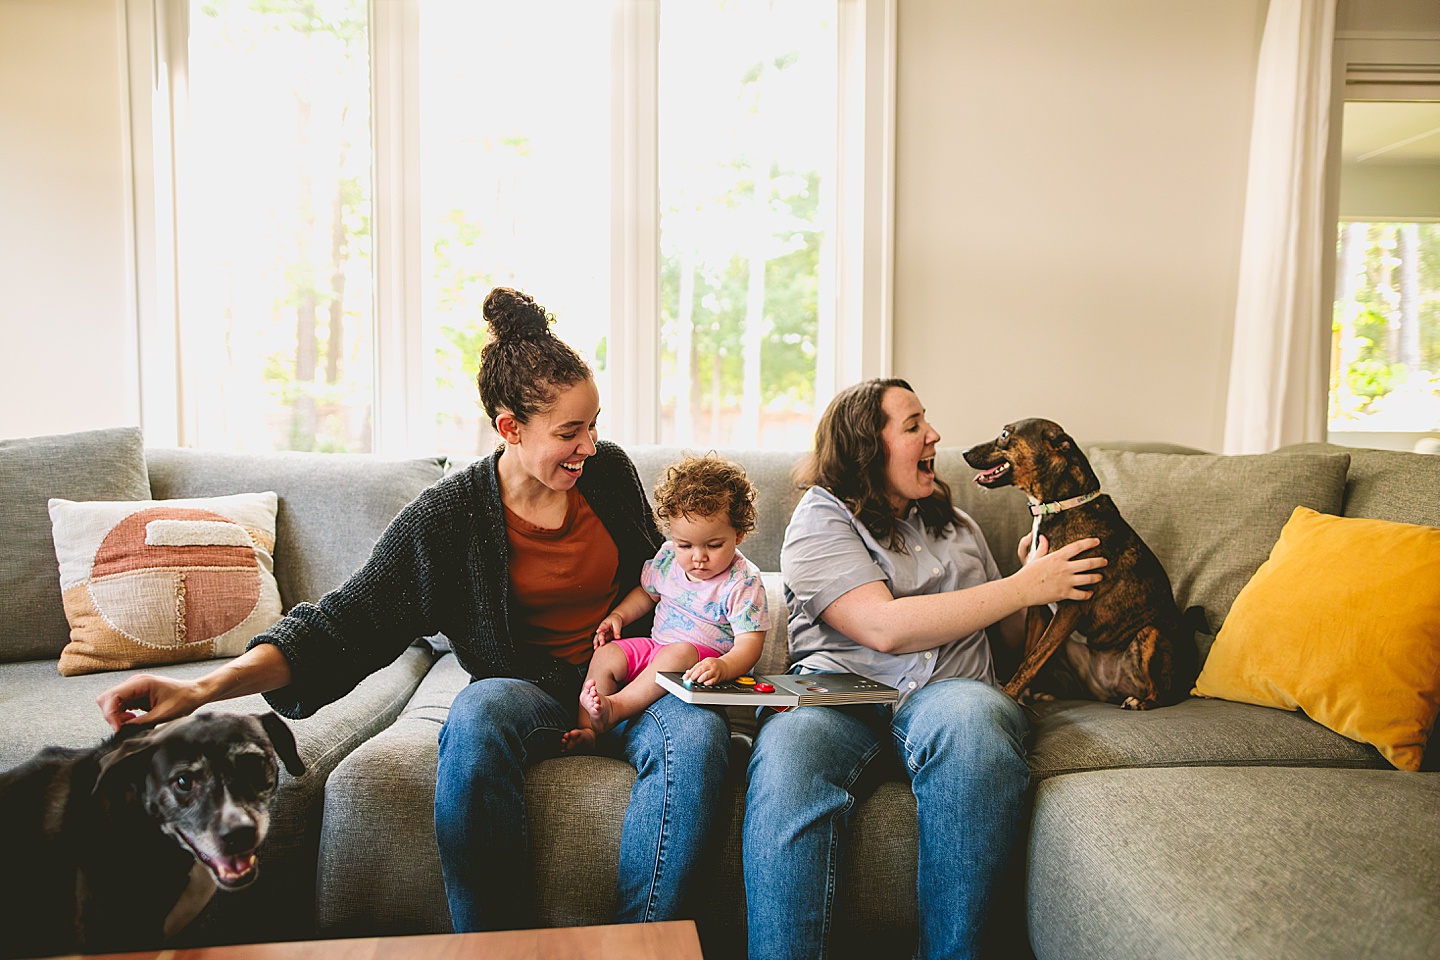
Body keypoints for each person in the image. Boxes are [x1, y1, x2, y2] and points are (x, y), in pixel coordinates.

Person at [95, 287, 730, 932]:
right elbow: (343, 625)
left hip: (635, 674)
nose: (589, 445)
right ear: (508, 428)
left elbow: (674, 578)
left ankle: (645, 943)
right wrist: (203, 688)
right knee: (477, 713)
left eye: (594, 425)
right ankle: (493, 950)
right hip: (530, 688)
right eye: (569, 431)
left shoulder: (608, 474)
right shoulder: (448, 519)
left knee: (700, 735)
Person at [743, 378, 1106, 960]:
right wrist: (1017, 587)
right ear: (867, 449)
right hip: (842, 692)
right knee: (790, 753)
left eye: (925, 422)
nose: (934, 435)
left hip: (951, 693)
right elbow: (883, 626)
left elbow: (1009, 642)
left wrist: (1031, 592)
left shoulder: (957, 525)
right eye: (913, 426)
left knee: (976, 722)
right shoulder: (821, 517)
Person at [562, 453, 770, 752]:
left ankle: (616, 709)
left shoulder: (742, 580)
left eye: (713, 545)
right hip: (656, 648)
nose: (698, 557)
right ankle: (588, 728)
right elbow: (648, 593)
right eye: (685, 544)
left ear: (738, 533)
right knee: (606, 655)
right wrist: (619, 616)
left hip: (699, 664)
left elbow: (750, 644)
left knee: (680, 651)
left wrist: (723, 666)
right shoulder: (669, 557)